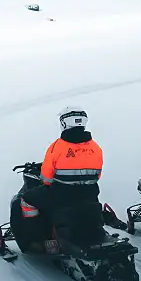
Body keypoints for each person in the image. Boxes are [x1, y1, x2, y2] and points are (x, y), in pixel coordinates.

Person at [18, 107, 106, 249]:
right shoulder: (96, 148)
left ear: (64, 123)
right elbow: (97, 175)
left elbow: (46, 179)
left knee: (27, 199)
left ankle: (35, 239)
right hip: (89, 193)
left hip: (62, 195)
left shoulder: (56, 147)